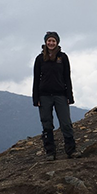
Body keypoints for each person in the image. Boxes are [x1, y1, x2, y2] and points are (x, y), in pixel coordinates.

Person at [32, 31, 76, 160]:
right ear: (45, 42)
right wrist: (36, 98)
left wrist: (70, 96)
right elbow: (36, 79)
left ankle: (71, 150)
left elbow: (67, 77)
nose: (51, 43)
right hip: (44, 96)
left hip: (60, 95)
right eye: (49, 41)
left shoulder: (63, 57)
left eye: (53, 41)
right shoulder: (40, 59)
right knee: (47, 123)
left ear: (57, 42)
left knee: (66, 123)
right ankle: (50, 152)